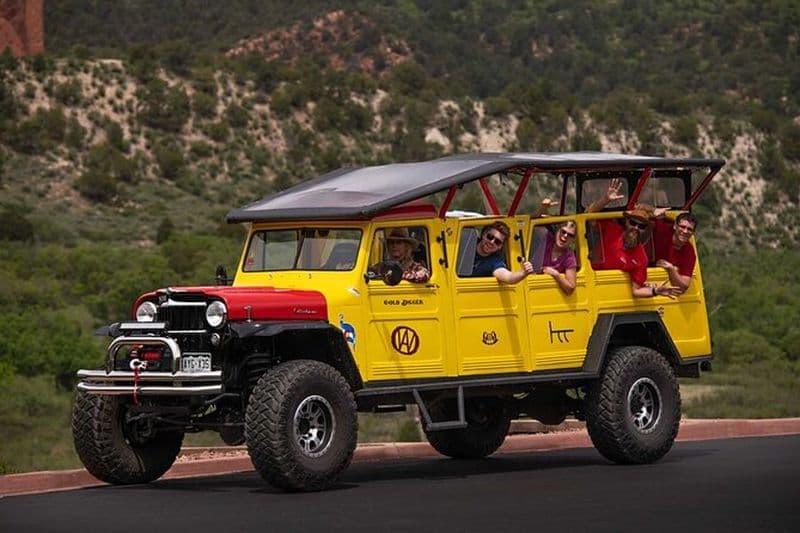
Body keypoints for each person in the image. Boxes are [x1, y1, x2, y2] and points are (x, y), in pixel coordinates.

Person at [586, 178, 681, 299]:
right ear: (626, 222)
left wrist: (656, 291)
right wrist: (605, 199)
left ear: (645, 230)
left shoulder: (641, 258)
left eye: (641, 226)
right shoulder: (612, 230)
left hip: (610, 294)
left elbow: (636, 290)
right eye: (633, 223)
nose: (635, 228)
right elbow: (589, 215)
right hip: (591, 281)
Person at [533, 199, 577, 294]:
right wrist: (543, 208)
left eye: (570, 235)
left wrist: (556, 274)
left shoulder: (569, 256)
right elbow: (534, 223)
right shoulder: (547, 239)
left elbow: (570, 288)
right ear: (557, 230)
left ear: (573, 239)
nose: (565, 236)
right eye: (563, 232)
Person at [651, 210, 698, 293]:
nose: (685, 231)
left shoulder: (689, 252)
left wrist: (671, 269)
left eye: (689, 229)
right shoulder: (662, 230)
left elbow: (684, 286)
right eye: (682, 227)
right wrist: (652, 210)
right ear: (675, 226)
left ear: (693, 233)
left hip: (659, 288)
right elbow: (639, 214)